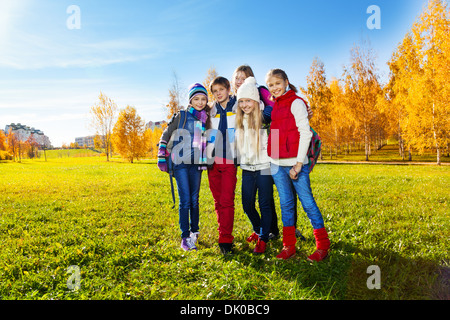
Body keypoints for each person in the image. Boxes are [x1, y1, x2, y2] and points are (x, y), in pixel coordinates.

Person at [232, 65, 313, 240]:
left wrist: (262, 118)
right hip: (251, 163)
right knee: (260, 202)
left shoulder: (262, 94)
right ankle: (266, 230)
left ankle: (284, 230)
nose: (239, 81)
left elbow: (276, 110)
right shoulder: (236, 104)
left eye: (243, 78)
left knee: (281, 198)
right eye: (237, 78)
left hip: (272, 159)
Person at [265, 68, 330, 261]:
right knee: (286, 205)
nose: (274, 87)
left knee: (308, 203)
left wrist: (299, 164)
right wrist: (272, 157)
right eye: (270, 85)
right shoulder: (275, 105)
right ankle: (289, 246)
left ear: (286, 82)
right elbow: (277, 134)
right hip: (277, 165)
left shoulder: (296, 103)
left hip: (295, 164)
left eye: (277, 83)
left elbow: (305, 133)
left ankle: (322, 246)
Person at [157, 83, 210, 251]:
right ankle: (185, 236)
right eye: (196, 99)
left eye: (203, 99)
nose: (200, 102)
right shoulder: (182, 116)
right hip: (180, 164)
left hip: (196, 166)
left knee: (195, 200)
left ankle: (195, 231)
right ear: (190, 100)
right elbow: (165, 134)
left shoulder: (204, 119)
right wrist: (161, 157)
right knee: (185, 200)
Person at [235, 76, 273, 254]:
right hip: (247, 170)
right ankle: (258, 229)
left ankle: (264, 238)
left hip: (264, 167)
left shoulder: (265, 117)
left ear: (256, 101)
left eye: (248, 100)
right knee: (247, 204)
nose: (244, 105)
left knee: (265, 204)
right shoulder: (239, 120)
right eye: (241, 101)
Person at [206, 76, 238, 255]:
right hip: (213, 161)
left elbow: (261, 106)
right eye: (215, 91)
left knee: (227, 200)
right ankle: (222, 233)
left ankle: (225, 239)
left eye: (221, 90)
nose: (218, 94)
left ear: (228, 89)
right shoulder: (210, 110)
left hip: (229, 160)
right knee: (218, 201)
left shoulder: (237, 106)